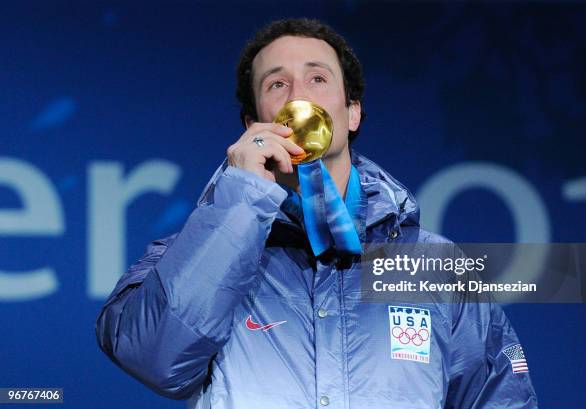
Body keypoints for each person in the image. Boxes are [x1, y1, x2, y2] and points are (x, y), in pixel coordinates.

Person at [96, 18, 539, 409]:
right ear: (254, 123)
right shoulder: (188, 257)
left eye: (318, 79)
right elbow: (154, 359)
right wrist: (242, 196)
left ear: (352, 113)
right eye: (277, 84)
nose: (298, 97)